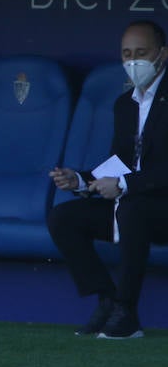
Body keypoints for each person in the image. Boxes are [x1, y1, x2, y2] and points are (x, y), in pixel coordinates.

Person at [48, 21, 168, 340]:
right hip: (133, 204)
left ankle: (127, 314)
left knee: (132, 209)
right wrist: (80, 180)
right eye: (127, 54)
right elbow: (120, 164)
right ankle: (107, 299)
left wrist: (126, 185)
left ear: (163, 54)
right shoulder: (124, 104)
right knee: (64, 217)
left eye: (142, 53)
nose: (134, 62)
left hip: (159, 208)